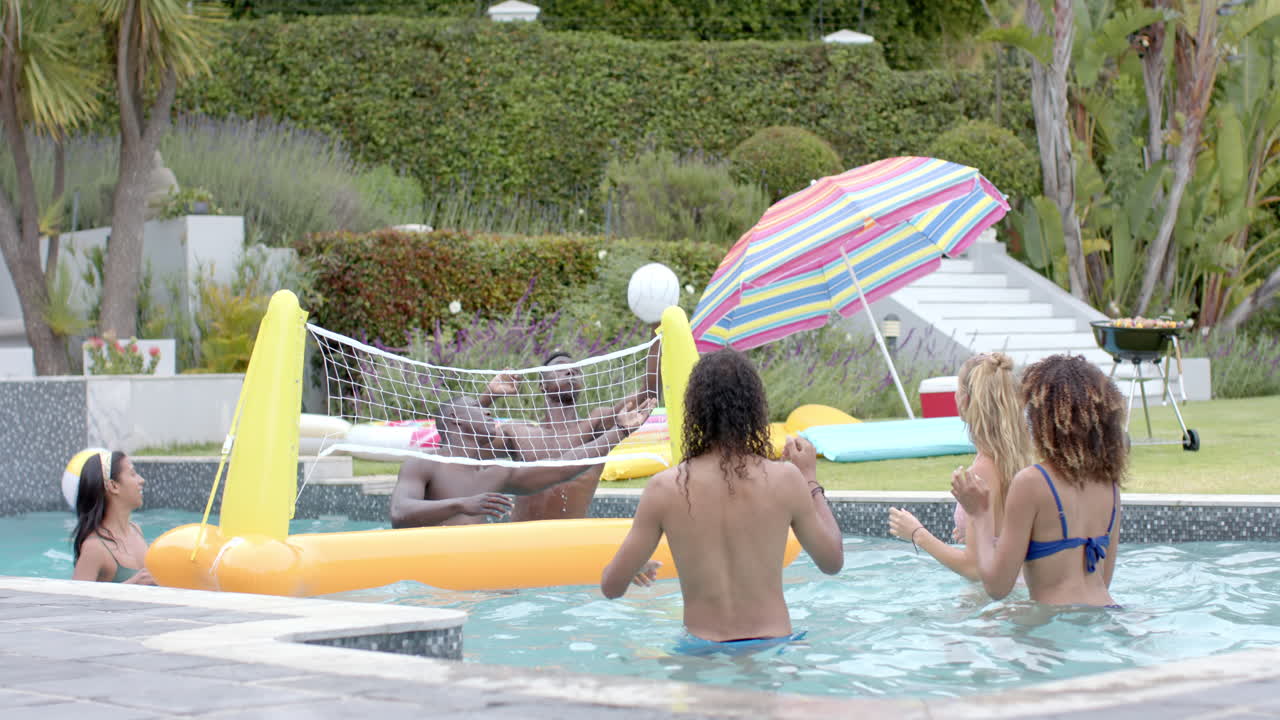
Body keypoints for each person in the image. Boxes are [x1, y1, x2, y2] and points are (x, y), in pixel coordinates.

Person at [600, 349, 843, 653]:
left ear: (695, 409)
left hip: (699, 652)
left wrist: (632, 566)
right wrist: (809, 477)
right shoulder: (787, 479)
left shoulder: (664, 487)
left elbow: (611, 588)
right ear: (755, 408)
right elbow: (832, 561)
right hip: (772, 648)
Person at [951, 354, 1126, 606]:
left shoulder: (1032, 482)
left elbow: (997, 587)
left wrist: (980, 514)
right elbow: (1102, 580)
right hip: (1109, 613)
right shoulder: (1110, 485)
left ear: (1045, 417)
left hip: (1054, 630)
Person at [390, 393, 655, 528]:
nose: (487, 410)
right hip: (429, 577)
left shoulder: (496, 473)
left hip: (476, 580)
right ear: (454, 419)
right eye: (476, 407)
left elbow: (562, 468)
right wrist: (463, 504)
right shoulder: (424, 461)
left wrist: (619, 431)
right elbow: (400, 512)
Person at [887, 353, 1034, 580]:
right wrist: (974, 534)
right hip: (1019, 586)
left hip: (994, 602)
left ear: (965, 401)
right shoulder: (1016, 458)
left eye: (957, 389)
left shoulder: (983, 469)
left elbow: (974, 568)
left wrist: (917, 533)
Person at [509, 347, 661, 522]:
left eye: (576, 370)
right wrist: (489, 396)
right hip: (519, 542)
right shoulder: (520, 432)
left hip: (572, 543)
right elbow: (472, 447)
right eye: (560, 367)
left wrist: (655, 326)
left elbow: (649, 393)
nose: (570, 371)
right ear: (542, 385)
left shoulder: (596, 424)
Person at [71, 451, 156, 585]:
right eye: (133, 474)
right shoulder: (95, 548)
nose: (141, 480)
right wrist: (133, 584)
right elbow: (76, 602)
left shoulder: (135, 530)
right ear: (113, 486)